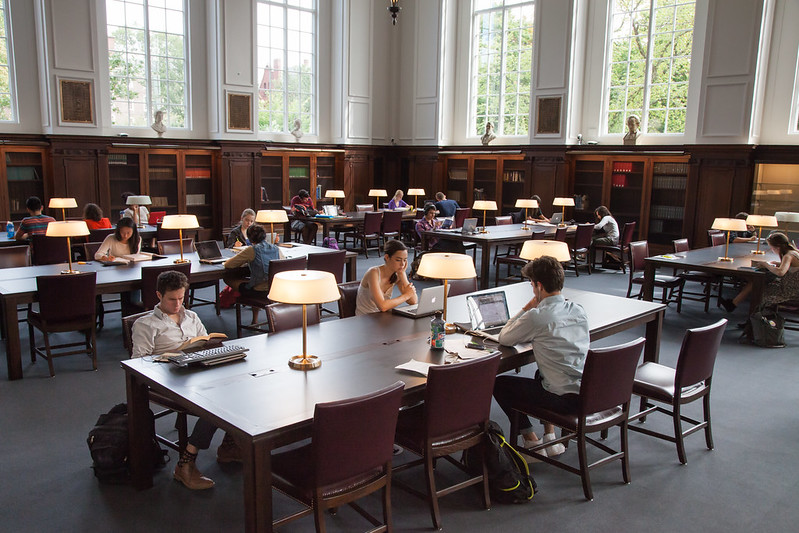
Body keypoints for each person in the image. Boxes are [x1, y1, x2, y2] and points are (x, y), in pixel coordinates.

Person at [131, 271, 240, 490]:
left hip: (196, 371)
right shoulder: (146, 324)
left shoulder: (191, 316)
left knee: (238, 388)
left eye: (181, 298)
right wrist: (171, 354)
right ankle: (186, 462)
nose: (178, 304)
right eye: (172, 299)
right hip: (168, 378)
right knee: (215, 403)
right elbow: (137, 364)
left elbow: (205, 340)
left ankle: (229, 446)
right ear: (158, 295)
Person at [492, 256, 590, 458]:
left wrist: (528, 307)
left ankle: (531, 442)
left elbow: (505, 337)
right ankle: (550, 438)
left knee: (499, 384)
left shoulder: (538, 315)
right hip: (585, 392)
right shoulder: (578, 310)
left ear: (538, 285)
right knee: (542, 373)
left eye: (531, 284)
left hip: (562, 400)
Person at [720, 232, 799, 314]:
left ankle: (754, 322)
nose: (772, 250)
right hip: (792, 287)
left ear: (777, 247)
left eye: (772, 248)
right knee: (756, 283)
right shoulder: (794, 252)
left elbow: (780, 272)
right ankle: (745, 313)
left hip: (789, 291)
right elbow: (791, 267)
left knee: (758, 288)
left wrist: (766, 264)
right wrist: (777, 263)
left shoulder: (788, 256)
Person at [222, 224, 284, 324]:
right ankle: (254, 320)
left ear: (250, 239)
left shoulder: (252, 250)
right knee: (256, 279)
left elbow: (229, 265)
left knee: (228, 278)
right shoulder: (276, 248)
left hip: (259, 291)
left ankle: (248, 304)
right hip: (275, 288)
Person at [356, 239, 417, 315]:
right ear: (387, 257)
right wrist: (406, 295)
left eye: (405, 260)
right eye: (398, 260)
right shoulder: (373, 272)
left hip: (382, 318)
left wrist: (402, 275)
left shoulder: (397, 274)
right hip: (365, 319)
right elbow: (382, 306)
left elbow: (413, 301)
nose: (402, 264)